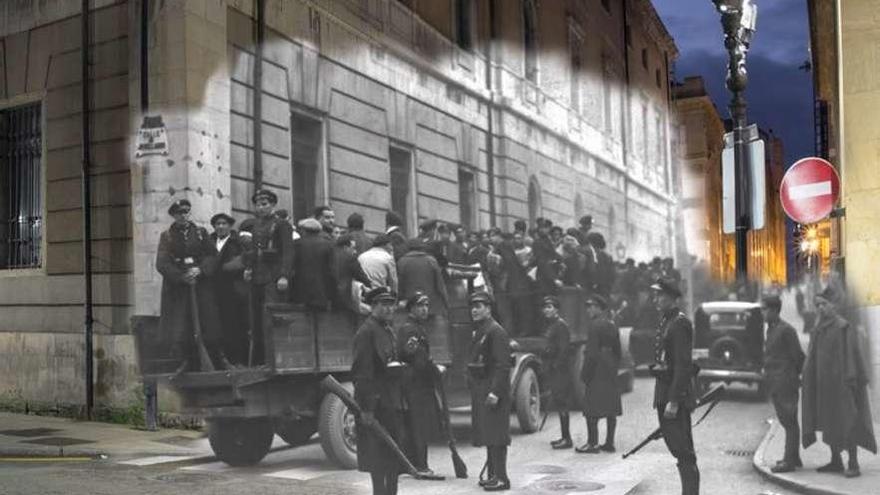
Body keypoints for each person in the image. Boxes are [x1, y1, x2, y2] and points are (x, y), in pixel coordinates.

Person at [802, 287, 877, 478]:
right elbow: (813, 358)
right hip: (825, 387)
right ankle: (836, 461)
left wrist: (851, 381)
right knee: (828, 423)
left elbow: (853, 356)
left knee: (848, 421)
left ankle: (853, 463)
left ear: (833, 306)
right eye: (817, 305)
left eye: (824, 304)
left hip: (843, 386)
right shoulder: (819, 329)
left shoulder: (844, 328)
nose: (820, 308)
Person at [156, 199, 228, 373]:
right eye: (180, 212)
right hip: (178, 288)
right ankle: (185, 361)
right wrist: (181, 277)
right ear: (173, 215)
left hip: (201, 284)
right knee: (181, 323)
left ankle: (218, 358)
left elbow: (213, 256)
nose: (184, 215)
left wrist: (200, 270)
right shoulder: (167, 236)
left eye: (187, 211)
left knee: (208, 320)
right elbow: (162, 263)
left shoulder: (201, 233)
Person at [352, 286, 407, 495]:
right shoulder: (366, 332)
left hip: (391, 401)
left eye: (391, 304)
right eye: (383, 305)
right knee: (378, 461)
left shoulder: (387, 330)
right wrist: (367, 409)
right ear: (373, 306)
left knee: (392, 456)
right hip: (376, 405)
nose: (389, 309)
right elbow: (362, 374)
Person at [649, 278, 699, 495]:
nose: (655, 299)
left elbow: (682, 365)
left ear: (671, 297)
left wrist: (674, 400)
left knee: (684, 451)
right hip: (664, 392)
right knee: (677, 448)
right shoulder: (666, 320)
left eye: (659, 295)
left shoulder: (679, 323)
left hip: (673, 396)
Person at [239, 189, 295, 364]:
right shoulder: (256, 225)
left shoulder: (282, 224)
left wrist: (284, 275)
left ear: (272, 205)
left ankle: (277, 358)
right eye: (258, 204)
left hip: (274, 277)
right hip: (257, 277)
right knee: (256, 319)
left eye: (264, 204)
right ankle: (261, 360)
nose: (261, 207)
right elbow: (253, 251)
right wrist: (248, 267)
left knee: (273, 316)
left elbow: (288, 252)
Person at [468, 291, 512, 492]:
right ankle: (493, 475)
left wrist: (495, 392)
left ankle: (502, 478)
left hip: (495, 391)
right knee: (490, 434)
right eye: (473, 307)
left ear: (489, 308)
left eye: (479, 306)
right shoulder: (482, 330)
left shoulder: (496, 331)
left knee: (498, 436)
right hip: (484, 388)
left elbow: (503, 366)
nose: (474, 310)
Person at [760, 294, 806, 473]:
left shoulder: (786, 330)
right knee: (788, 420)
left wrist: (798, 377)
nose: (762, 313)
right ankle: (793, 456)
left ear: (773, 310)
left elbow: (798, 356)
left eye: (764, 309)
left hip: (785, 381)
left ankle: (790, 461)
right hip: (775, 381)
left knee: (789, 420)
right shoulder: (771, 329)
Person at [397, 291, 440, 476]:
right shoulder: (410, 329)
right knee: (418, 425)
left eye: (426, 306)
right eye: (420, 306)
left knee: (416, 424)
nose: (424, 309)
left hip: (417, 382)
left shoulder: (416, 327)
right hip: (416, 383)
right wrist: (435, 369)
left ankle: (414, 464)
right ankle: (421, 465)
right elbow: (417, 360)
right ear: (412, 309)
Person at [577, 294, 622, 454]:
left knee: (591, 407)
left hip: (597, 368)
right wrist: (614, 365)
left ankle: (592, 443)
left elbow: (592, 354)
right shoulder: (612, 324)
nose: (588, 310)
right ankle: (609, 443)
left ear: (599, 308)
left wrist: (585, 374)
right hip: (609, 366)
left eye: (591, 307)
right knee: (611, 406)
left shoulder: (594, 326)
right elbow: (618, 350)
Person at [209, 212, 248, 365]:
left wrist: (226, 268)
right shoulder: (209, 241)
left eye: (224, 223)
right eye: (217, 224)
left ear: (230, 226)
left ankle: (237, 359)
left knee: (235, 324)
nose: (220, 226)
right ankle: (220, 360)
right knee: (217, 324)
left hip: (233, 288)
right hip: (213, 289)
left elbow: (243, 260)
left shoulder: (237, 241)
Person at [540, 295, 574, 450]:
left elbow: (564, 350)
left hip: (560, 371)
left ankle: (567, 439)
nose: (546, 310)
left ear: (557, 310)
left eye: (550, 307)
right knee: (560, 403)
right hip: (555, 370)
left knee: (562, 403)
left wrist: (555, 365)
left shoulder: (560, 326)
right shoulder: (552, 325)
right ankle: (564, 437)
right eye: (545, 307)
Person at [397, 239, 449, 320]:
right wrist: (446, 303)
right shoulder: (431, 260)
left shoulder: (402, 262)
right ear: (422, 248)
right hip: (431, 307)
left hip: (411, 306)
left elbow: (399, 286)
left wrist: (399, 301)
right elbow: (440, 285)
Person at [291, 218, 336, 311]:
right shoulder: (329, 245)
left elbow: (292, 266)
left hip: (300, 291)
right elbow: (332, 270)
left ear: (303, 230)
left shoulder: (297, 244)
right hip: (322, 292)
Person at [334, 234, 373, 314]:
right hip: (344, 299)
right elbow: (360, 275)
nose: (355, 251)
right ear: (345, 247)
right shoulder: (350, 258)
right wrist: (369, 287)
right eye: (353, 248)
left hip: (329, 298)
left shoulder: (330, 254)